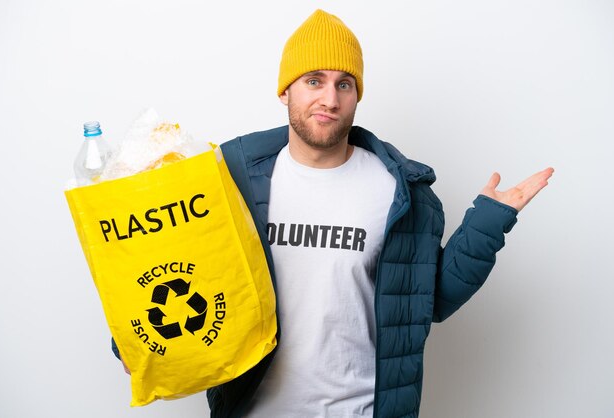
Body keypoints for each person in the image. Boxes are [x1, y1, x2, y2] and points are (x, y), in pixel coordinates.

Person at [116, 9, 553, 418]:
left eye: (344, 84)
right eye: (314, 80)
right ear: (286, 89)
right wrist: (133, 343)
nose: (329, 98)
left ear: (356, 95)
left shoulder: (402, 192)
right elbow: (172, 264)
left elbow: (428, 303)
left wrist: (487, 224)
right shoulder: (230, 180)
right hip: (255, 409)